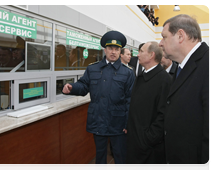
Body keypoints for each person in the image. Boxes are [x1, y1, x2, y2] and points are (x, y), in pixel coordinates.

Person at [62, 30, 135, 170]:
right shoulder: (93, 69)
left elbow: (130, 99)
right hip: (99, 119)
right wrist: (72, 88)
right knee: (100, 156)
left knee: (120, 156)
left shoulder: (128, 73)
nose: (113, 52)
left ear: (120, 51)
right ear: (105, 49)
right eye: (110, 48)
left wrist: (127, 123)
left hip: (118, 122)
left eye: (116, 49)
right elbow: (84, 86)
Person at [159, 14, 211, 169]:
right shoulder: (182, 67)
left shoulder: (208, 65)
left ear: (180, 36)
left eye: (164, 37)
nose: (160, 43)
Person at [126, 41, 172, 170]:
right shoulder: (141, 77)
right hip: (135, 141)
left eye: (141, 51)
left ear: (151, 55)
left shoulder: (165, 80)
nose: (138, 55)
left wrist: (148, 138)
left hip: (149, 147)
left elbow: (164, 114)